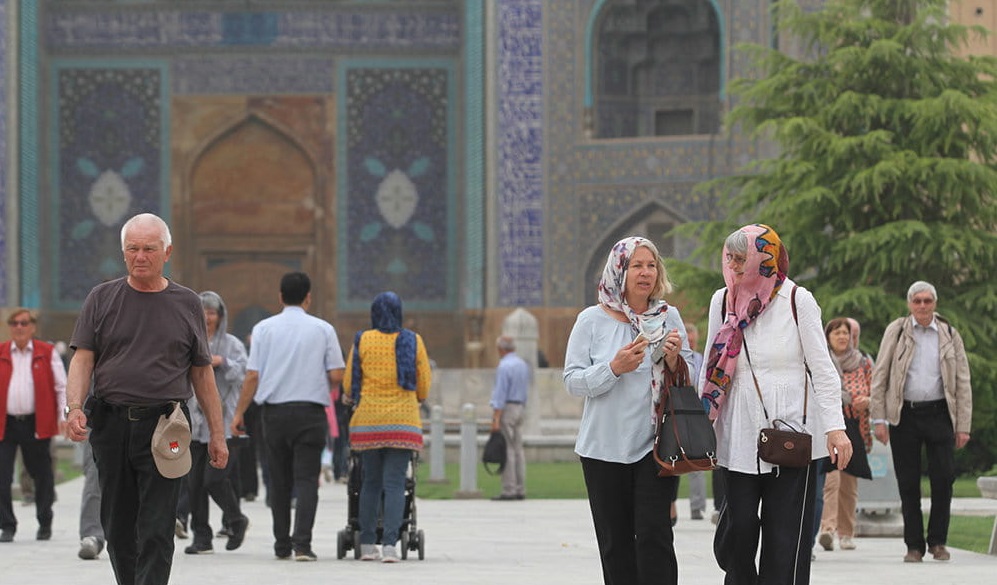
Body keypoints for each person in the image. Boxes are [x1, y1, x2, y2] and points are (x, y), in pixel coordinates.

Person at [64, 212, 229, 585]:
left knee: (156, 527)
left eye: (149, 249)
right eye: (133, 249)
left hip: (166, 426)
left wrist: (217, 434)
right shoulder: (101, 298)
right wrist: (74, 407)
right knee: (119, 527)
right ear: (124, 253)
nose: (141, 256)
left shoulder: (186, 303)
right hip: (110, 423)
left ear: (167, 251)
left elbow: (202, 373)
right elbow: (83, 358)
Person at [698, 224, 851, 585]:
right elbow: (710, 364)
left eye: (742, 258)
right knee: (741, 528)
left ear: (763, 258)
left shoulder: (797, 300)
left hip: (789, 435)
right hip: (737, 434)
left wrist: (835, 428)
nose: (733, 266)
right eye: (730, 258)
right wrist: (701, 424)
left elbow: (823, 370)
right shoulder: (722, 301)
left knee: (785, 537)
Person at [564, 236, 693, 585]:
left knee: (656, 538)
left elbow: (692, 375)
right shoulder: (591, 320)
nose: (645, 273)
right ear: (619, 271)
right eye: (637, 265)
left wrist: (674, 358)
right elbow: (573, 380)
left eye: (651, 265)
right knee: (615, 543)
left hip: (655, 448)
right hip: (603, 449)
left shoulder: (669, 316)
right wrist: (613, 368)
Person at [231, 271, 345, 562]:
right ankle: (302, 545)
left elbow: (252, 375)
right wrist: (313, 380)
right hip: (310, 413)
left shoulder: (264, 330)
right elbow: (336, 373)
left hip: (275, 415)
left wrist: (239, 413)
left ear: (280, 297)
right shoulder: (323, 329)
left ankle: (281, 544)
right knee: (307, 479)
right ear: (308, 297)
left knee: (278, 480)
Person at [869, 281, 972, 563]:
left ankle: (938, 541)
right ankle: (914, 545)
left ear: (935, 303)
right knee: (908, 482)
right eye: (917, 301)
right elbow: (880, 374)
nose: (923, 306)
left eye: (927, 300)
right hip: (905, 415)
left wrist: (963, 425)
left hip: (940, 414)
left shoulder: (949, 333)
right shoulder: (897, 330)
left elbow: (963, 380)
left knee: (944, 478)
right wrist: (878, 418)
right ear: (910, 304)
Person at [346, 291, 432, 563]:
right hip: (403, 422)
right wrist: (415, 398)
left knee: (370, 482)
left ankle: (368, 543)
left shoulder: (363, 340)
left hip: (368, 422)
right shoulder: (413, 340)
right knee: (395, 483)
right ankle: (391, 546)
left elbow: (349, 384)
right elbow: (424, 384)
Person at [183, 291, 250, 554]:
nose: (207, 318)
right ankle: (201, 537)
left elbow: (244, 374)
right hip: (195, 422)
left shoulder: (233, 344)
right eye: (203, 312)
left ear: (220, 316)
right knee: (194, 483)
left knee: (214, 479)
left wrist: (222, 362)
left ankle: (236, 519)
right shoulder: (189, 341)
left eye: (212, 313)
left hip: (224, 421)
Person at [1, 308, 67, 543]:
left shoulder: (46, 353)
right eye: (14, 323)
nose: (19, 327)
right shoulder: (1, 353)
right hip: (5, 424)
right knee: (2, 475)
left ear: (32, 327)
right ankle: (7, 525)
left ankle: (44, 520)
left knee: (41, 474)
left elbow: (61, 387)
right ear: (10, 327)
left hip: (35, 423)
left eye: (24, 323)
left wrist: (63, 416)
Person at [817, 318, 874, 552]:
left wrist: (867, 401)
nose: (842, 337)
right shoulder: (821, 360)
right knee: (831, 479)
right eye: (836, 333)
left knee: (849, 482)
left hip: (854, 426)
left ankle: (847, 532)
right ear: (827, 337)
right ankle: (827, 529)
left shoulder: (863, 362)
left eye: (845, 333)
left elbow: (876, 391)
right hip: (829, 425)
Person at [489, 335, 531, 501]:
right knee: (518, 450)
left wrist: (495, 418)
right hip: (520, 407)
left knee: (507, 449)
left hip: (508, 407)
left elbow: (500, 393)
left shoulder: (504, 366)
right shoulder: (522, 364)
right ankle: (520, 488)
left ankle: (509, 489)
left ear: (501, 348)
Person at [682, 322, 708, 521]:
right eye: (687, 340)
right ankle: (668, 505)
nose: (690, 344)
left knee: (698, 462)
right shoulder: (677, 358)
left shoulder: (702, 360)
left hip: (697, 415)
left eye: (692, 340)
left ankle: (697, 507)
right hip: (679, 413)